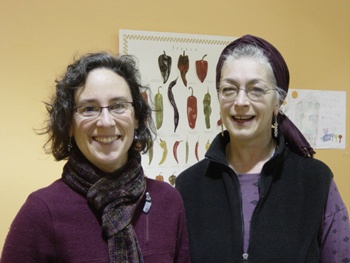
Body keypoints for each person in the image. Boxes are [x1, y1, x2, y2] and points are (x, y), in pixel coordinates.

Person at [1, 52, 190, 263]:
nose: (106, 122)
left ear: (136, 117)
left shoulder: (168, 202)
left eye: (118, 106)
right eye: (89, 109)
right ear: (69, 124)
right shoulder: (42, 212)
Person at [175, 35, 350, 262]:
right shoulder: (189, 185)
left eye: (255, 90)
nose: (240, 101)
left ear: (277, 102)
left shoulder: (315, 180)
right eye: (229, 89)